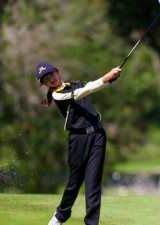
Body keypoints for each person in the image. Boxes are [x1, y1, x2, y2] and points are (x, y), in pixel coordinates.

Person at [34, 62, 122, 225]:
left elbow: (91, 86)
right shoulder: (58, 95)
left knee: (93, 181)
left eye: (51, 74)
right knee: (75, 181)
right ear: (45, 84)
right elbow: (84, 91)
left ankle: (91, 223)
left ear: (57, 71)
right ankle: (61, 215)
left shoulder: (72, 84)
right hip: (78, 140)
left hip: (97, 135)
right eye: (46, 79)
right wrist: (107, 76)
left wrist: (112, 78)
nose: (51, 79)